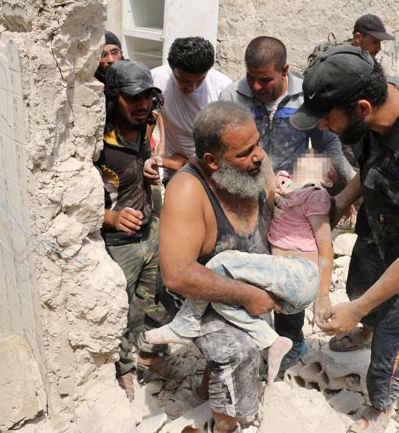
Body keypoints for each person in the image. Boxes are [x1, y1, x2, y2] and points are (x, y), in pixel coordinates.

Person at [290, 46, 399, 433]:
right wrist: (341, 202)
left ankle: (381, 404)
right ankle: (365, 329)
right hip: (383, 213)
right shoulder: (377, 103)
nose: (323, 127)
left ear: (361, 108)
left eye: (327, 119)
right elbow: (373, 162)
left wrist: (354, 309)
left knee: (395, 326)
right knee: (363, 277)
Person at [219, 36, 354, 370]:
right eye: (251, 77)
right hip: (244, 198)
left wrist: (347, 189)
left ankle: (291, 345)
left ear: (285, 71)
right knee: (246, 269)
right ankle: (247, 343)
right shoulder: (231, 97)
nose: (256, 85)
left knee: (291, 275)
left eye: (265, 79)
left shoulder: (306, 97)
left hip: (290, 205)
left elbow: (328, 147)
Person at [157, 100, 280, 433]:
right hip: (196, 297)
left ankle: (209, 387)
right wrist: (248, 296)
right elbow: (178, 274)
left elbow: (276, 200)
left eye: (257, 144)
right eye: (244, 153)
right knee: (238, 351)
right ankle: (224, 425)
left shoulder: (254, 161)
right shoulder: (186, 190)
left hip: (245, 283)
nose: (258, 156)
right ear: (212, 161)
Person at [144, 169, 333, 383]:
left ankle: (185, 324)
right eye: (285, 179)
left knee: (219, 263)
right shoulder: (281, 196)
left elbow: (326, 245)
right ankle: (270, 340)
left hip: (301, 273)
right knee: (222, 294)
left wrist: (323, 295)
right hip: (283, 285)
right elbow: (267, 176)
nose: (286, 183)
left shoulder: (315, 196)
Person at [94, 60, 172, 400]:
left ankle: (148, 356)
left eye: (148, 97)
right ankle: (123, 370)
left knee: (152, 301)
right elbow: (71, 200)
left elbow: (147, 158)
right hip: (118, 244)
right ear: (115, 98)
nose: (143, 105)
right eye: (134, 98)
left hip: (150, 231)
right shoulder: (98, 141)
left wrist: (150, 167)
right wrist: (111, 219)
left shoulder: (146, 123)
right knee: (122, 309)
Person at [150, 37, 232, 184]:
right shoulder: (156, 80)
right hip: (176, 173)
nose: (192, 88)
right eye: (184, 80)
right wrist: (164, 159)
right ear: (171, 67)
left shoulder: (223, 89)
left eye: (199, 80)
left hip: (214, 175)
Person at [305, 14, 395, 75]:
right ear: (358, 37)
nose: (379, 48)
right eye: (375, 42)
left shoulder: (365, 61)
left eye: (380, 42)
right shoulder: (341, 64)